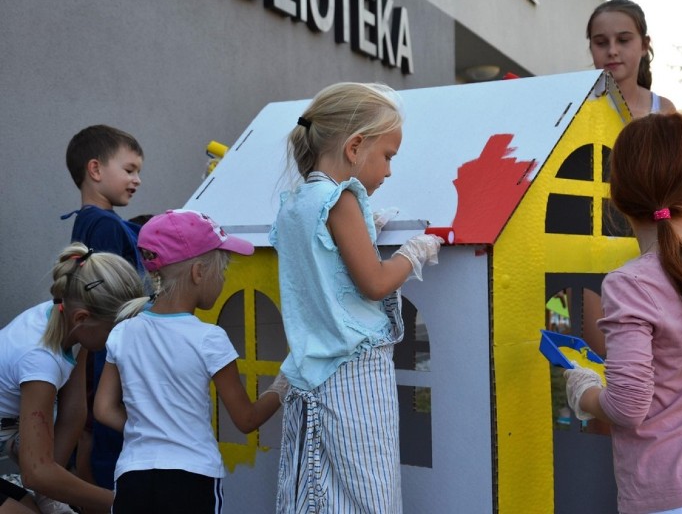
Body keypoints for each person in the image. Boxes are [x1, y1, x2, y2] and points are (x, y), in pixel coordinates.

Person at [562, 113, 682, 513]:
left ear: (618, 198)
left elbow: (628, 407)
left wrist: (583, 390)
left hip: (672, 496)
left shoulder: (628, 283)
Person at [269, 81, 443, 512]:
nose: (388, 171)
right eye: (387, 156)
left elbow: (323, 264)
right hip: (354, 372)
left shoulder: (295, 202)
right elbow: (376, 282)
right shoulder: (341, 198)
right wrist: (415, 251)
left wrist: (367, 230)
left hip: (312, 372)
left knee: (318, 489)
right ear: (354, 147)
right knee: (372, 494)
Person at [93, 209, 288, 513]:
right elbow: (246, 419)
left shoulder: (123, 332)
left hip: (133, 476)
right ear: (198, 272)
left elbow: (103, 409)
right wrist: (285, 380)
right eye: (222, 270)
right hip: (192, 478)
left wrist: (150, 429)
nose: (223, 278)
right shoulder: (208, 338)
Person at [0, 243, 145, 513]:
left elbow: (73, 414)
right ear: (83, 317)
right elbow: (37, 472)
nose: (122, 340)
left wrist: (48, 492)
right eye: (117, 330)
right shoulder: (40, 359)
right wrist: (122, 502)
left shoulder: (64, 320)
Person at [62, 124, 146, 491]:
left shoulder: (97, 222)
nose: (137, 180)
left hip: (108, 354)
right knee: (113, 452)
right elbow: (111, 301)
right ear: (95, 170)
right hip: (114, 355)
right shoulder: (105, 225)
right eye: (129, 170)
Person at [587, 0, 677, 119]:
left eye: (623, 40)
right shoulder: (572, 110)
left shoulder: (663, 110)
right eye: (601, 42)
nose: (612, 51)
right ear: (591, 47)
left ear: (644, 45)